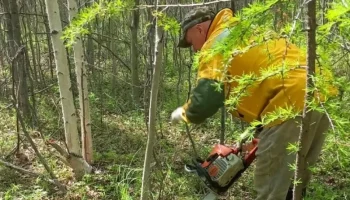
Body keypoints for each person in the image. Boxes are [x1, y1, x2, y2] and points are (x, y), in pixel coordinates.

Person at [170, 6, 337, 200]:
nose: (195, 49)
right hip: (320, 90)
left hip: (289, 102)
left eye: (192, 42)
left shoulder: (215, 44)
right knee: (296, 177)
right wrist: (260, 132)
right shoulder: (246, 29)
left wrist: (184, 113)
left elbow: (206, 100)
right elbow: (264, 74)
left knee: (270, 189)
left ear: (199, 29)